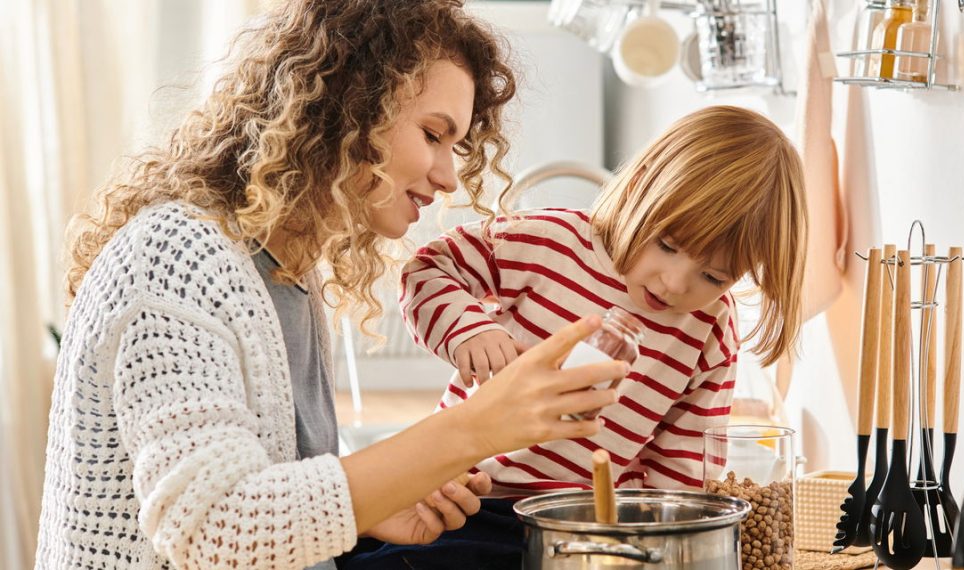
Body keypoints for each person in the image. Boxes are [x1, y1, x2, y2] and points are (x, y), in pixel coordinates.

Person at [34, 1, 629, 569]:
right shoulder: (175, 257)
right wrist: (477, 426)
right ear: (349, 108)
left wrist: (373, 510)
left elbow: (265, 491)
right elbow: (214, 530)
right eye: (432, 134)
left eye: (458, 147)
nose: (449, 176)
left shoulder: (287, 276)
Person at [359, 105, 807, 566]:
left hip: (583, 534)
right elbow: (430, 268)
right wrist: (469, 330)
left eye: (713, 277)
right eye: (668, 245)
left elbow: (680, 467)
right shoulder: (551, 241)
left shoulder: (711, 327)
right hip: (464, 501)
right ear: (638, 189)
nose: (674, 283)